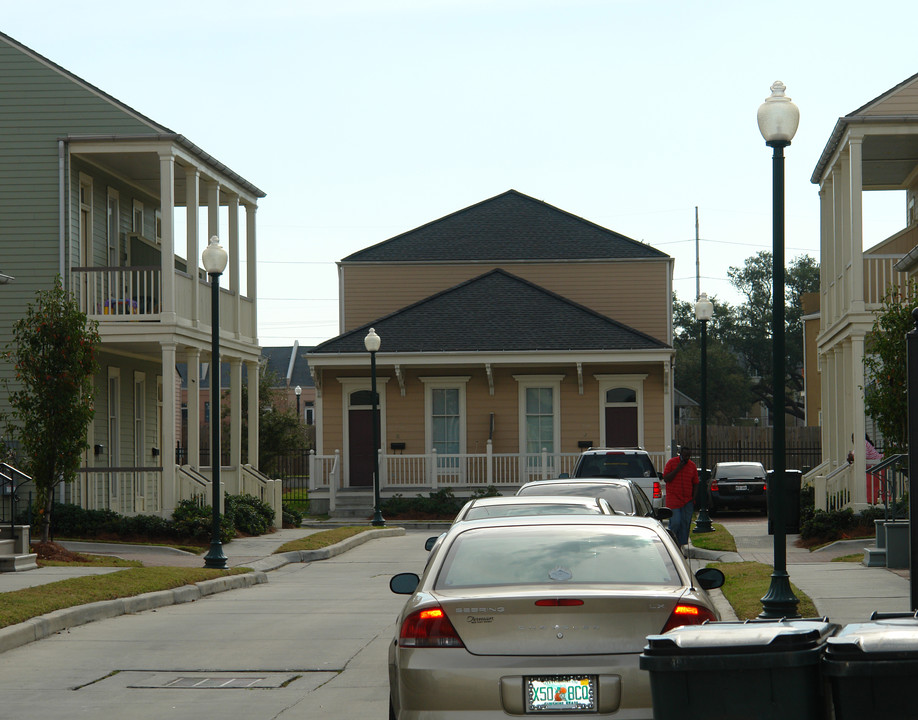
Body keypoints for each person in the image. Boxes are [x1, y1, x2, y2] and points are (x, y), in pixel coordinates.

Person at [662, 445, 700, 550]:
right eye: (685, 455)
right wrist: (678, 468)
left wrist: (693, 497)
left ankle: (680, 547)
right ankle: (672, 544)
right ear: (680, 454)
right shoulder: (671, 463)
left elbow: (696, 483)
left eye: (689, 456)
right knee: (676, 522)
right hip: (673, 499)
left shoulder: (692, 466)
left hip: (687, 500)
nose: (687, 458)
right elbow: (666, 478)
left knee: (685, 524)